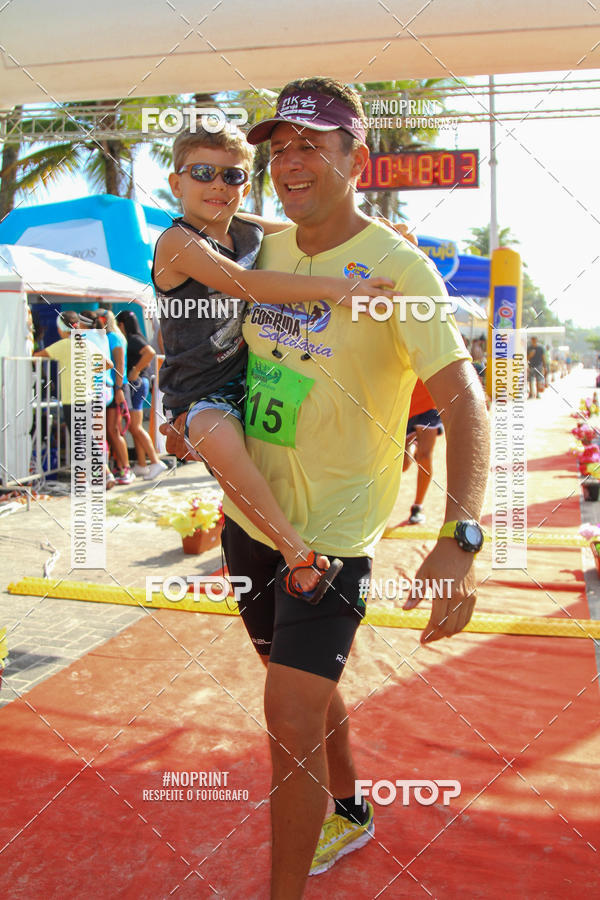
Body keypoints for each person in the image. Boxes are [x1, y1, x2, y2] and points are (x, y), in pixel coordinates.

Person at [213, 77, 490, 898]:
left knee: (288, 717)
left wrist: (459, 537)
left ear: (356, 158)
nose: (289, 161)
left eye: (311, 144)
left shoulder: (400, 268)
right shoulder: (263, 246)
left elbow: (464, 401)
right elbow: (206, 239)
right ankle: (350, 806)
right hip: (249, 519)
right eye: (279, 148)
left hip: (329, 539)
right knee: (301, 680)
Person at [154, 123, 395, 599]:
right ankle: (298, 555)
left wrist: (382, 234)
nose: (219, 186)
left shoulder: (248, 229)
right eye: (203, 173)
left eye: (234, 177)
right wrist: (335, 288)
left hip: (258, 380)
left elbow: (323, 226)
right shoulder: (177, 242)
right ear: (176, 183)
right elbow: (244, 284)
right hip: (201, 394)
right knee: (209, 431)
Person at [114, 309, 167, 480]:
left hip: (137, 382)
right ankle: (143, 464)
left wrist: (136, 370)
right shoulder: (135, 337)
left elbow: (150, 352)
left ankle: (154, 461)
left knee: (135, 427)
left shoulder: (133, 339)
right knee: (134, 427)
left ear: (121, 325)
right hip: (140, 382)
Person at [398, 378, 444, 525]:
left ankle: (417, 506)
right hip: (404, 405)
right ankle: (413, 442)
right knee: (402, 466)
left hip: (429, 405)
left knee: (424, 456)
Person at [33, 310, 80, 437]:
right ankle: (100, 456)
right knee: (86, 439)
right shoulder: (86, 343)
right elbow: (108, 364)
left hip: (72, 398)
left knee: (81, 439)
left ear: (60, 328)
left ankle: (99, 457)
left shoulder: (64, 344)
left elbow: (35, 356)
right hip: (89, 397)